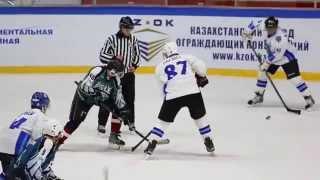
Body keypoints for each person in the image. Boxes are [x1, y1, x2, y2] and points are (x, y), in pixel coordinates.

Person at [144, 42, 215, 157]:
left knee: (163, 122)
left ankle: (152, 143)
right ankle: (208, 139)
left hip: (173, 95)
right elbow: (202, 70)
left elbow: (162, 88)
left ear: (166, 53)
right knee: (200, 118)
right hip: (192, 92)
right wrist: (200, 75)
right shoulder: (187, 57)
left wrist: (166, 105)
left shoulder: (160, 66)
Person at [242, 16, 315, 110]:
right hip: (273, 56)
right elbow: (254, 22)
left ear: (276, 26)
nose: (270, 30)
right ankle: (259, 96)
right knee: (262, 73)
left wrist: (266, 63)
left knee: (295, 79)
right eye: (268, 28)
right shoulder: (263, 25)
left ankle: (308, 98)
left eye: (272, 28)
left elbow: (278, 55)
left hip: (286, 57)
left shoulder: (281, 38)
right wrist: (247, 32)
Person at [59, 60, 133, 148]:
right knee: (76, 120)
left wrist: (124, 110)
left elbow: (118, 98)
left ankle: (114, 136)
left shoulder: (116, 80)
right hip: (84, 98)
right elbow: (84, 86)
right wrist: (93, 93)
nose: (118, 75)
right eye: (116, 72)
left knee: (117, 110)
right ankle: (59, 140)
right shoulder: (97, 71)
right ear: (111, 70)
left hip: (101, 98)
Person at [0, 92, 62, 180]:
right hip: (17, 143)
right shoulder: (40, 116)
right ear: (43, 106)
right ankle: (42, 171)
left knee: (8, 174)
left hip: (3, 142)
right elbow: (36, 137)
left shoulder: (25, 113)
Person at [98, 16, 141, 134]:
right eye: (127, 29)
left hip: (128, 75)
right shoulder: (112, 39)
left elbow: (137, 55)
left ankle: (131, 123)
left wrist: (135, 65)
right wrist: (114, 58)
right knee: (108, 99)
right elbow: (102, 56)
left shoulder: (134, 39)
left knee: (129, 100)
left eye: (130, 29)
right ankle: (101, 124)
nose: (129, 31)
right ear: (121, 27)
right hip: (112, 75)